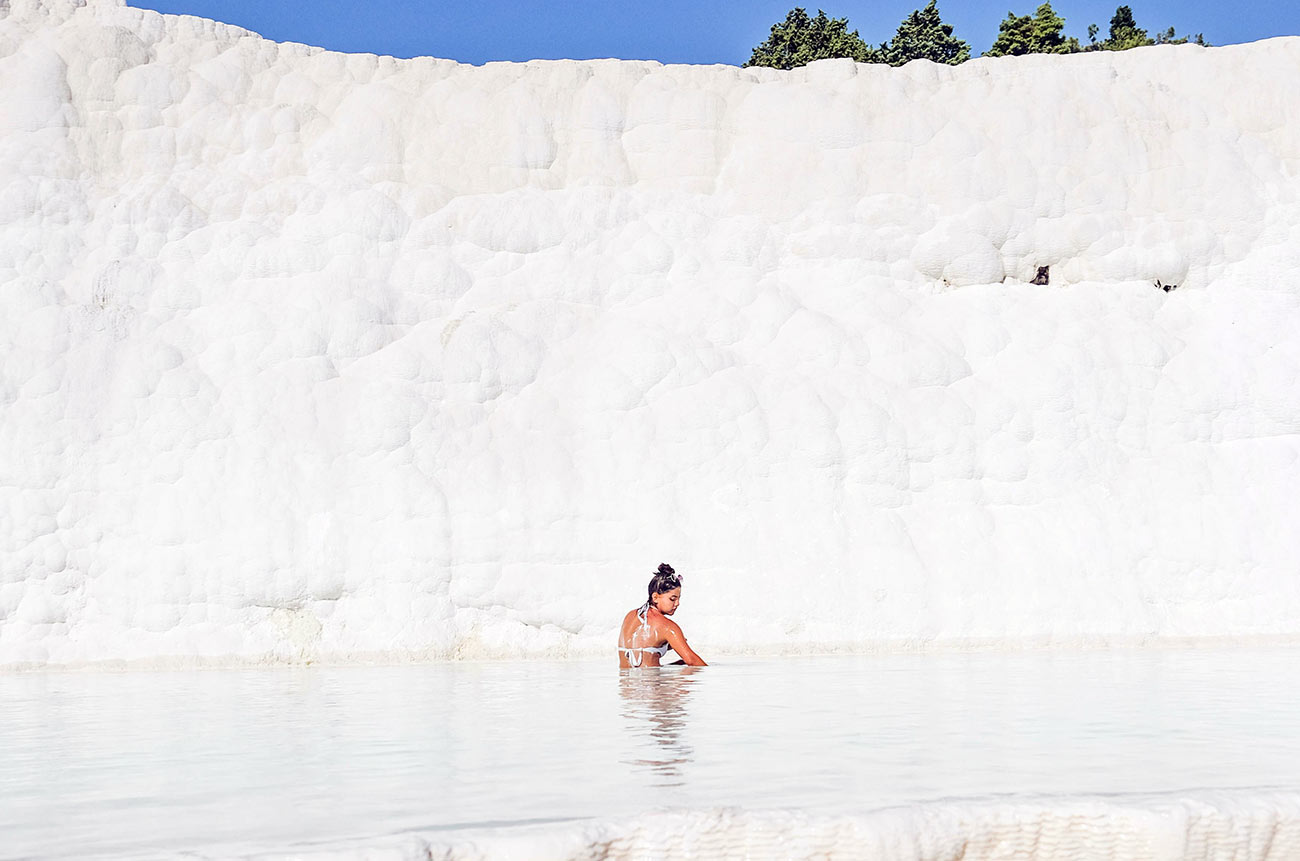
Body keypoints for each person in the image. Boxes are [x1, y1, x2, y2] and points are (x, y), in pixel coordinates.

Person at [618, 563, 707, 668]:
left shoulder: (630, 616)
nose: (678, 603)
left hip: (625, 682)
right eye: (673, 599)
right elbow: (693, 661)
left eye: (679, 599)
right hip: (651, 682)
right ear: (655, 597)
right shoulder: (667, 627)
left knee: (680, 663)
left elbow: (640, 646)